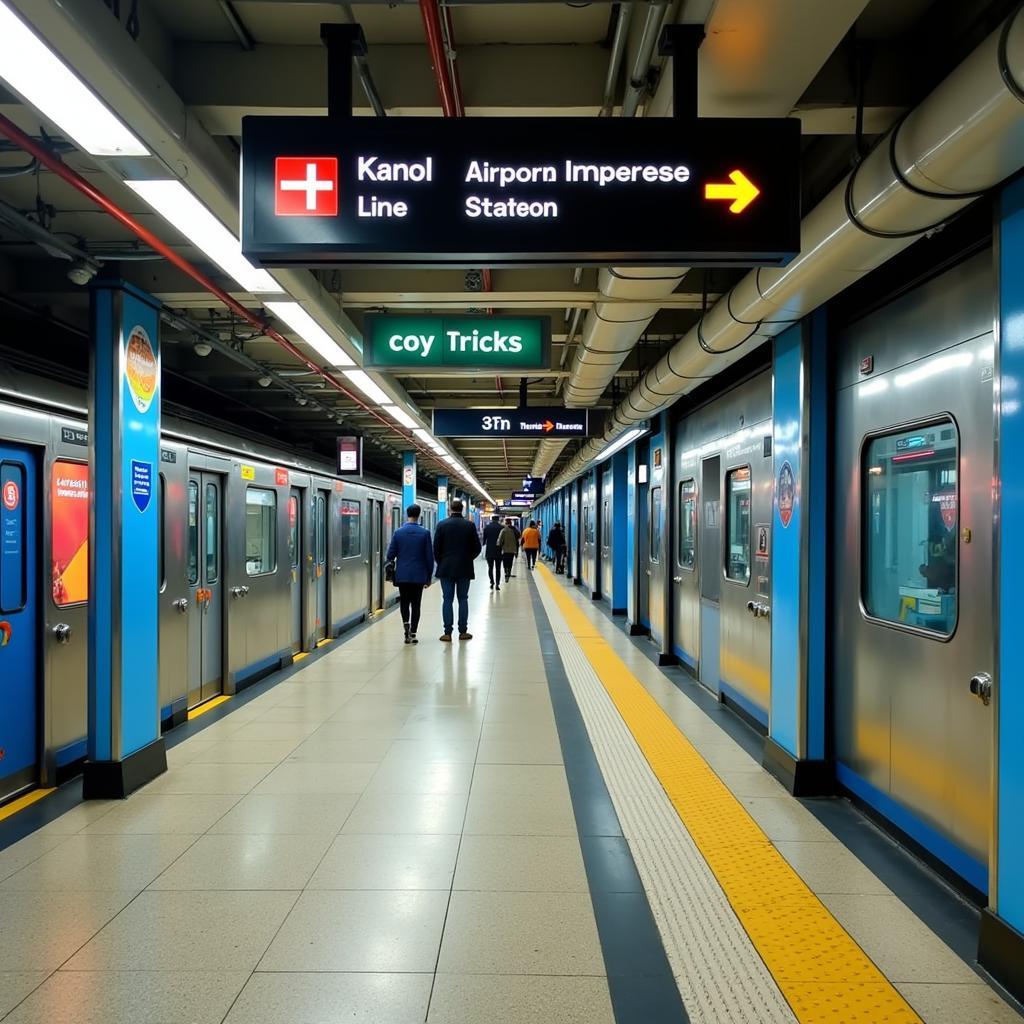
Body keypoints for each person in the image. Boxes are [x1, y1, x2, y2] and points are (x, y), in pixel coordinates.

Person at [432, 498, 482, 641]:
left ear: (450, 510)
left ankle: (447, 632)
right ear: (462, 510)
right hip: (464, 568)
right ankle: (463, 631)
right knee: (463, 599)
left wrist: (441, 562)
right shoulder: (469, 525)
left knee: (447, 599)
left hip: (446, 568)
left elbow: (436, 548)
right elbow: (477, 548)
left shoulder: (441, 525)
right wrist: (467, 558)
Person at [385, 503, 434, 644]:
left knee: (404, 602)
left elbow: (390, 555)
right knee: (416, 604)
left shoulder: (398, 533)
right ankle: (413, 632)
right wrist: (429, 576)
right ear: (419, 515)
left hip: (403, 574)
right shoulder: (425, 533)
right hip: (419, 575)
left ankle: (405, 627)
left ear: (407, 514)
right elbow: (429, 557)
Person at [482, 513, 505, 591]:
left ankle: (492, 582)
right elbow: (503, 540)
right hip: (499, 551)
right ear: (498, 520)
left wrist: (484, 544)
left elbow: (484, 540)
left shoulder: (487, 528)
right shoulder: (502, 528)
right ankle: (497, 584)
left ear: (492, 519)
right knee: (498, 568)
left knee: (490, 568)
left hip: (489, 551)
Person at [497, 517, 519, 583]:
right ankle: (509, 572)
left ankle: (506, 572)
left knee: (505, 561)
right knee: (510, 561)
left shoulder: (503, 530)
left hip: (505, 549)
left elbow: (500, 540)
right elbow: (518, 536)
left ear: (506, 523)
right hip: (512, 549)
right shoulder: (515, 530)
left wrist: (499, 545)